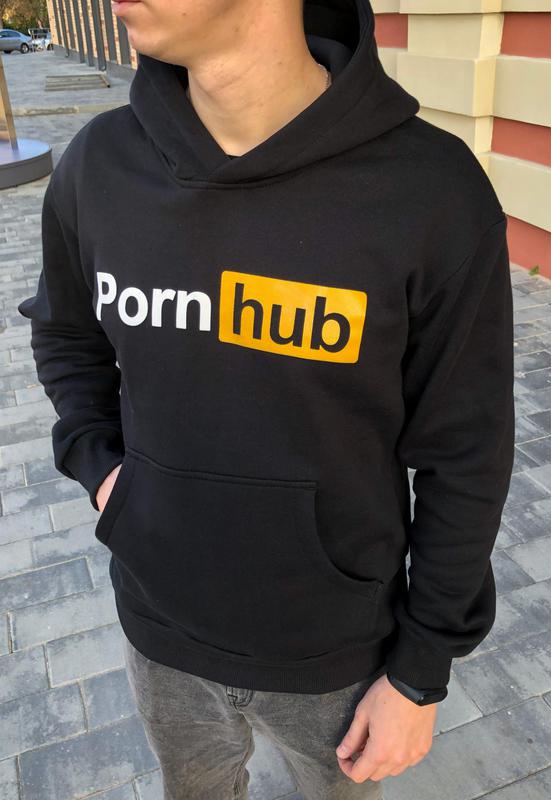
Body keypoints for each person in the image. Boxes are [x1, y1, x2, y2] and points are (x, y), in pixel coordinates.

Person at [17, 0, 515, 797]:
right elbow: (65, 334)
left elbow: (467, 454)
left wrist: (419, 673)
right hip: (160, 631)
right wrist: (104, 472)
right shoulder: (99, 165)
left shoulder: (431, 191)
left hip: (338, 656)